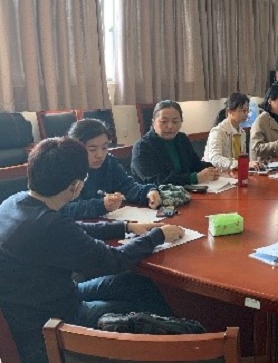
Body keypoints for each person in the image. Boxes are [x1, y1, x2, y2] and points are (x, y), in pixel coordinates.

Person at [0, 138, 184, 363]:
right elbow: (113, 260)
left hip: (41, 305)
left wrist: (125, 227)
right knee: (136, 314)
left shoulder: (14, 202)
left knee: (134, 283)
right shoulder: (50, 225)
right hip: (50, 330)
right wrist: (158, 236)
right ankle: (175, 348)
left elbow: (74, 228)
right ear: (75, 186)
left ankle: (176, 342)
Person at [59, 119, 162, 219]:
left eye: (104, 148)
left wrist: (148, 192)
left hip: (105, 221)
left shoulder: (108, 162)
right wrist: (101, 205)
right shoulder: (63, 168)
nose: (100, 155)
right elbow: (62, 209)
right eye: (92, 149)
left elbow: (128, 186)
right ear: (76, 148)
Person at [132, 100, 220, 185]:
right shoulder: (142, 147)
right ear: (153, 123)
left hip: (187, 190)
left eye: (175, 121)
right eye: (164, 121)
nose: (170, 126)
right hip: (157, 194)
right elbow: (155, 181)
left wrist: (213, 169)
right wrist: (194, 178)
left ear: (181, 122)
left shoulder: (182, 138)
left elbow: (195, 164)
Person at [204, 93, 261, 170]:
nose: (247, 114)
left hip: (234, 173)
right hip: (216, 173)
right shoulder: (217, 132)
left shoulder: (242, 133)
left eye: (248, 111)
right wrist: (239, 164)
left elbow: (241, 158)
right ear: (229, 111)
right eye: (243, 111)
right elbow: (215, 158)